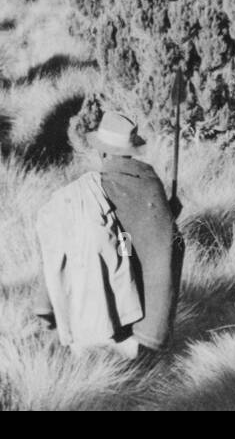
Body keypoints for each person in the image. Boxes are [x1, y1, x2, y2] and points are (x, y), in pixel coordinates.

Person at [34, 110, 183, 361]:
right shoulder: (149, 182)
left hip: (95, 315)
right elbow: (158, 236)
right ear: (132, 149)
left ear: (102, 151)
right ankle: (140, 344)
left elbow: (57, 242)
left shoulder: (93, 189)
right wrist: (170, 212)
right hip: (141, 320)